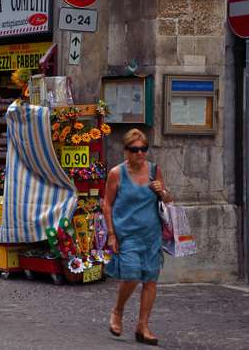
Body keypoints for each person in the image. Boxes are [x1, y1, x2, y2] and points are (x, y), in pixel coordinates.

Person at [102, 129, 172, 346]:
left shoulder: (154, 171)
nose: (140, 154)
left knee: (150, 281)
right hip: (127, 234)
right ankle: (118, 310)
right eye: (135, 150)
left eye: (143, 149)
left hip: (152, 234)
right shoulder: (117, 173)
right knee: (131, 275)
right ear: (126, 151)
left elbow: (168, 200)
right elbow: (107, 204)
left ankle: (143, 326)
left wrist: (163, 192)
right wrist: (111, 234)